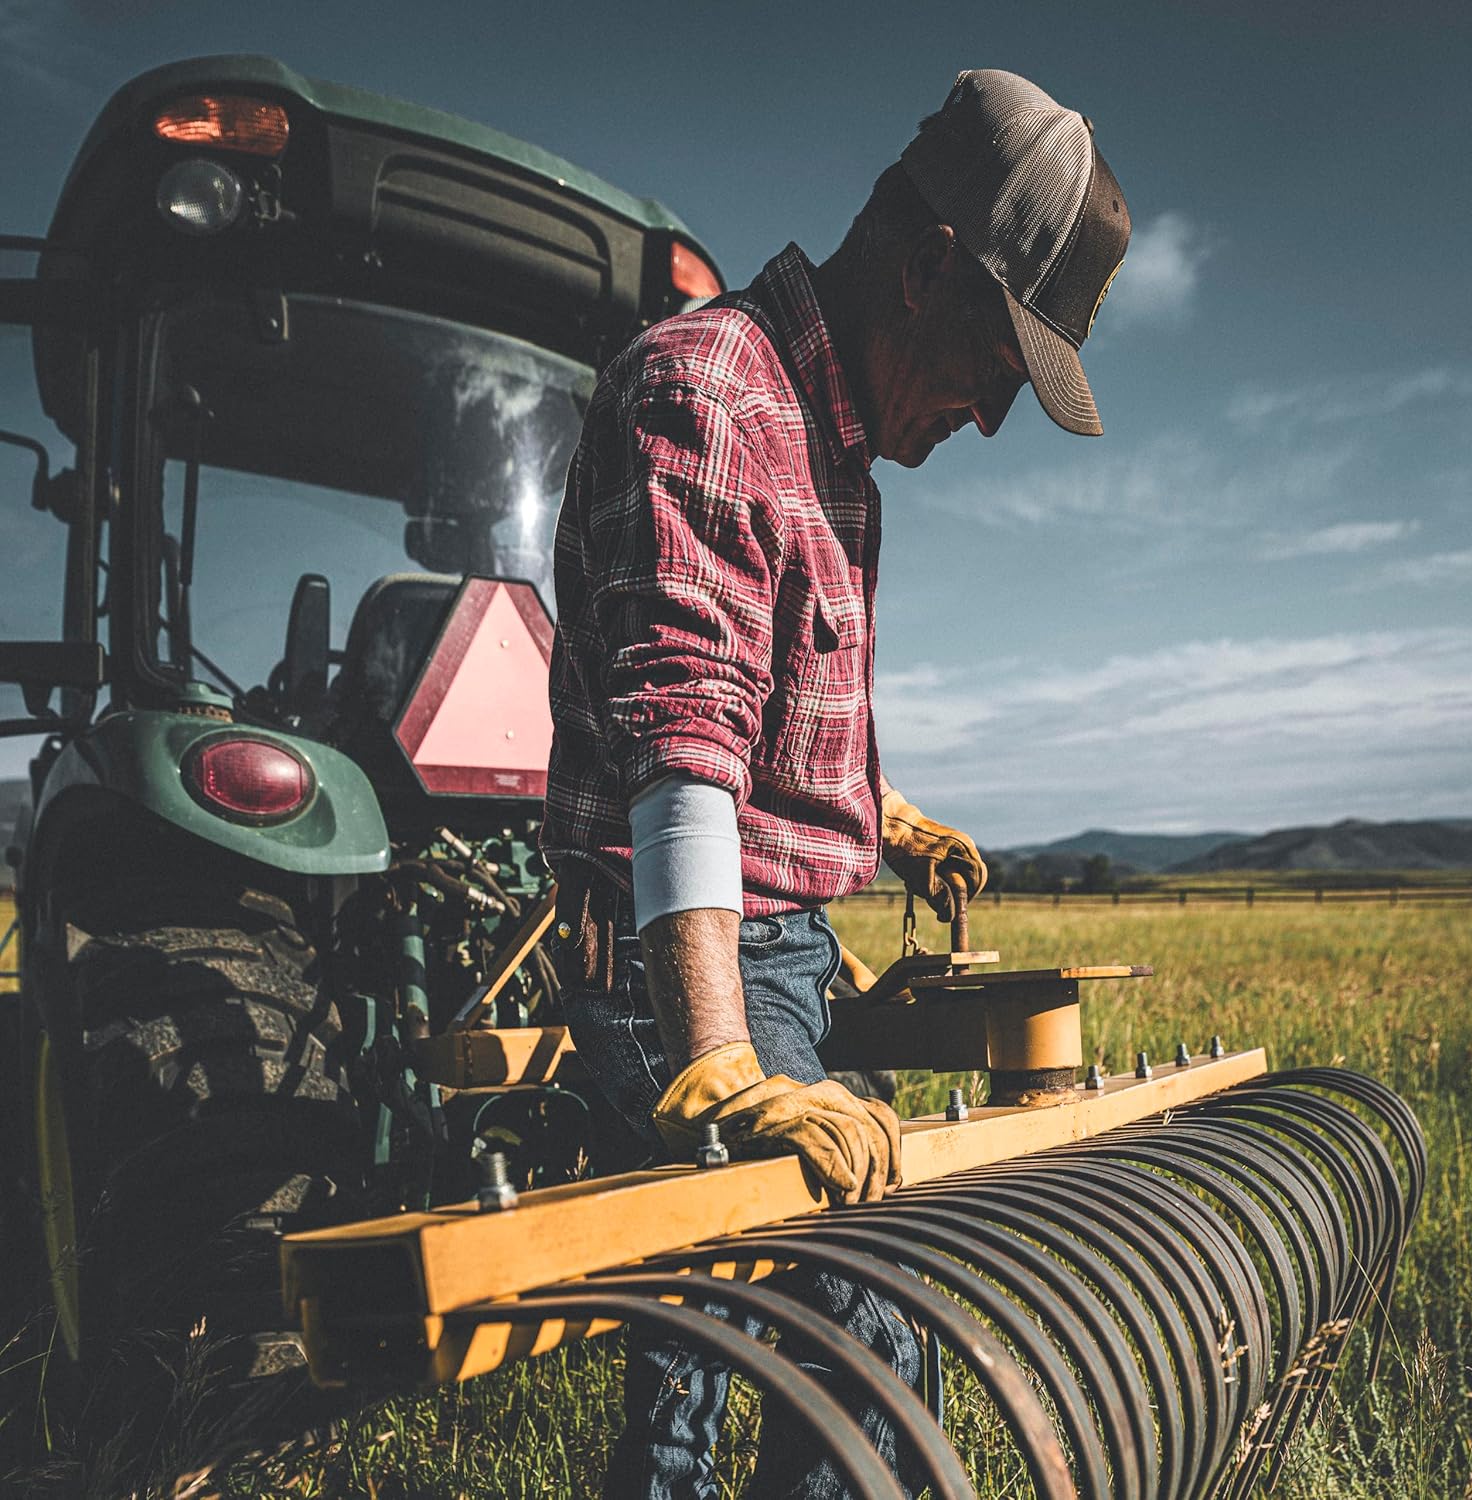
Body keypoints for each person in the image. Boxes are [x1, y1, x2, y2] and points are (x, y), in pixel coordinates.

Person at [543, 67, 1131, 1499]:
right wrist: (720, 1058)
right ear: (931, 270)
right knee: (864, 1339)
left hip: (776, 949)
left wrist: (882, 813)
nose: (991, 420)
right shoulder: (708, 395)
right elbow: (684, 748)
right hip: (678, 961)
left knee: (689, 1341)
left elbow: (767, 695)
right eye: (1002, 368)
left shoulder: (833, 447)